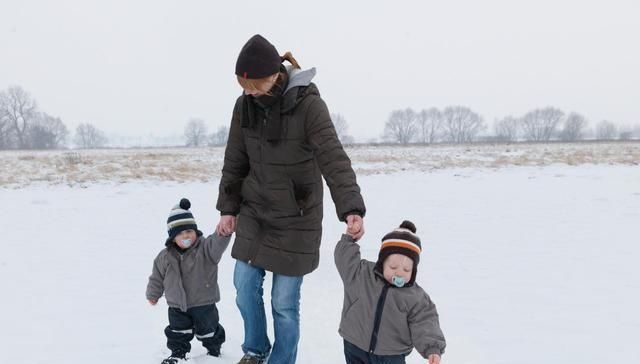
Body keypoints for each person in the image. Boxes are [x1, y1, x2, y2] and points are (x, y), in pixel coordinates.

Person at [216, 34, 366, 364]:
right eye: (243, 85)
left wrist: (350, 207)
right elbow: (235, 160)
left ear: (274, 75)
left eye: (254, 84)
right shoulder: (244, 107)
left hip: (297, 215)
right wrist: (229, 208)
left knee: (283, 302)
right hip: (256, 210)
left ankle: (281, 360)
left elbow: (333, 157)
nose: (248, 92)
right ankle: (255, 350)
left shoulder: (308, 104)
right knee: (243, 285)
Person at [334, 220, 446, 364]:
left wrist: (432, 348)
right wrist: (349, 239)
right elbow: (345, 261)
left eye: (406, 270)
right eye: (393, 267)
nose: (399, 273)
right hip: (355, 345)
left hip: (391, 355)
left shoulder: (415, 297)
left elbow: (425, 321)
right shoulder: (364, 275)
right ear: (382, 262)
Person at [146, 198, 231, 364]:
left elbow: (217, 243)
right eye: (180, 233)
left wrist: (224, 232)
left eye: (189, 232)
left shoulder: (206, 249)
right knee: (178, 332)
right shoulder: (165, 256)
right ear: (172, 237)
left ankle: (214, 350)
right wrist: (153, 294)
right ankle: (178, 353)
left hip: (204, 304)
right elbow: (157, 277)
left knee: (208, 330)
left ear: (195, 232)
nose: (186, 236)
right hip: (177, 305)